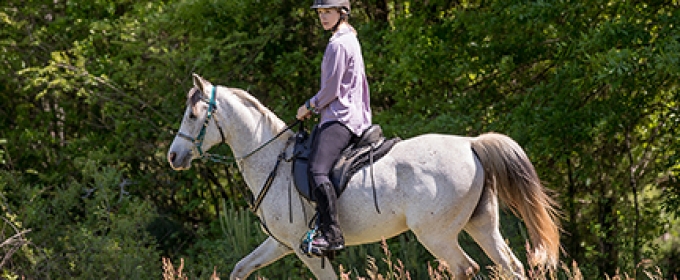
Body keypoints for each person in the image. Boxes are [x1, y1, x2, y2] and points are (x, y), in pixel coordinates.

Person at [296, 0, 372, 253]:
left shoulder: (338, 44)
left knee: (317, 170)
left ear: (342, 13)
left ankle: (332, 235)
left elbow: (331, 90)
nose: (323, 17)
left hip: (341, 117)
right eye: (320, 13)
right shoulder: (348, 38)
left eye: (328, 12)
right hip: (348, 114)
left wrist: (308, 105)